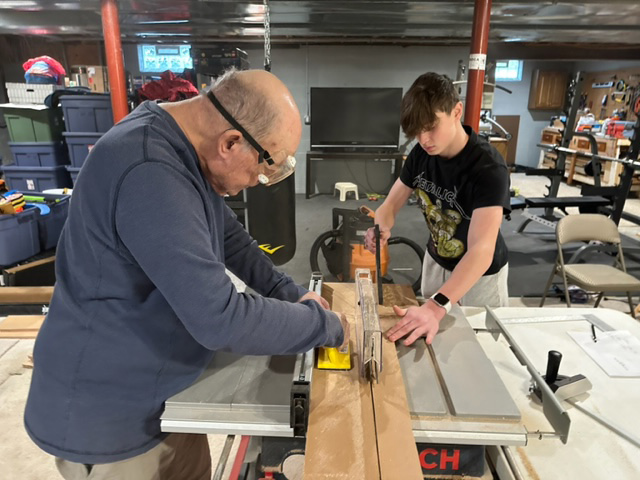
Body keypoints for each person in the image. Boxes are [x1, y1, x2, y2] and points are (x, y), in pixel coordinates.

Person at [24, 69, 349, 480]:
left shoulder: (182, 147)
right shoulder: (148, 170)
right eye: (264, 167)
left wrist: (288, 291)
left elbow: (229, 238)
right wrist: (324, 325)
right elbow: (220, 318)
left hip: (166, 392)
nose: (259, 182)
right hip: (111, 414)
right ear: (231, 142)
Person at [365, 72, 510, 347]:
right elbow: (390, 204)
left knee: (482, 348)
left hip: (479, 275)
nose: (424, 139)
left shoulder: (488, 168)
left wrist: (437, 305)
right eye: (417, 132)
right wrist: (381, 225)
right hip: (437, 261)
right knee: (432, 342)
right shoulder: (421, 155)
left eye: (431, 126)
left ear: (456, 111)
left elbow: (481, 250)